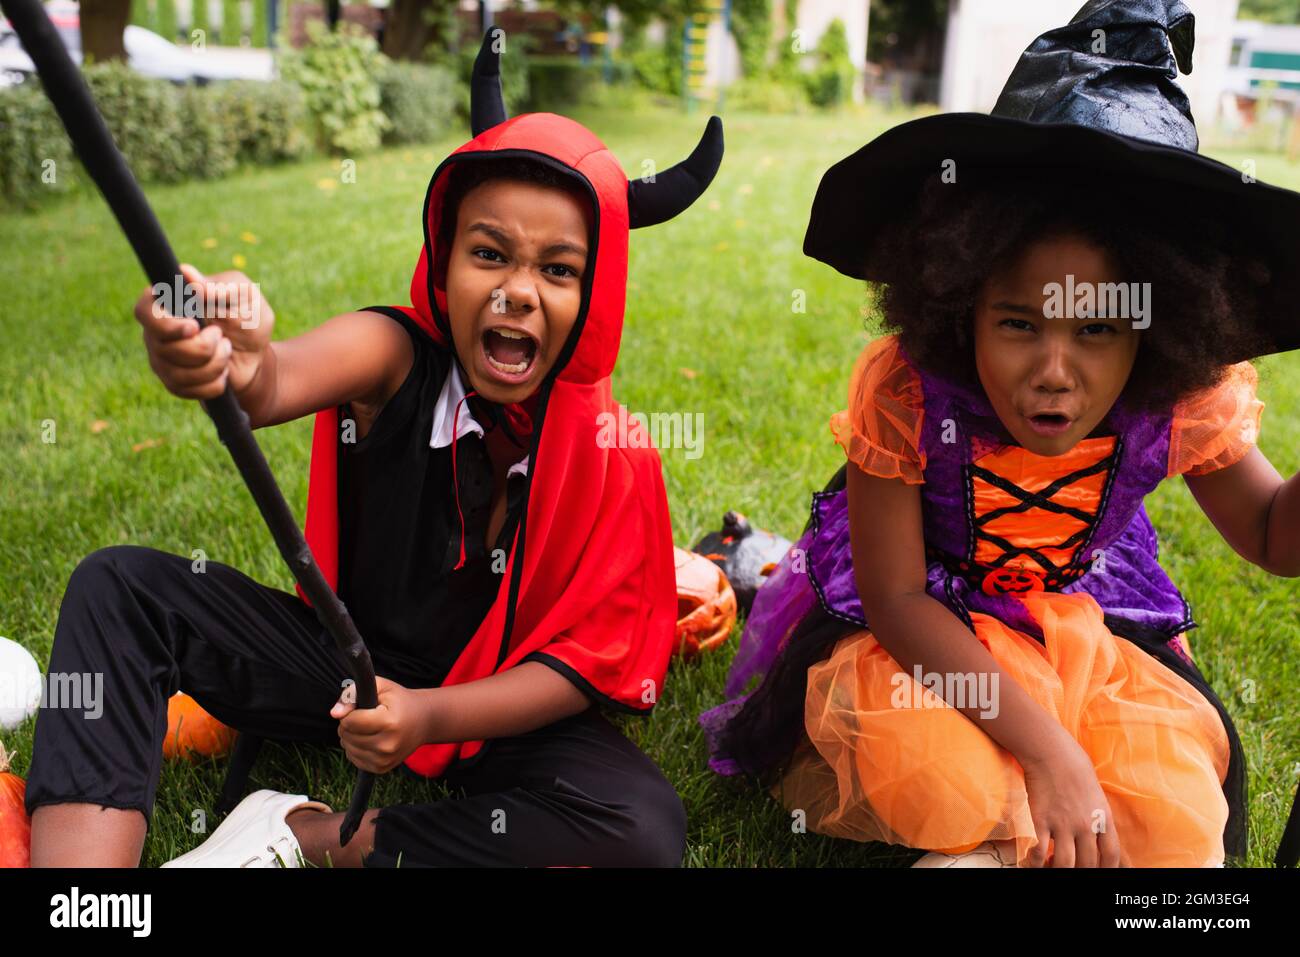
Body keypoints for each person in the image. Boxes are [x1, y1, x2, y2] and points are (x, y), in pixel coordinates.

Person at [23, 32, 724, 868]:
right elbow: (273, 378)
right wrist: (234, 359)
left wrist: (428, 716)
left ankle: (305, 835)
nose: (517, 290)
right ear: (443, 258)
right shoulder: (397, 355)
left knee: (641, 829)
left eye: (560, 269)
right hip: (340, 668)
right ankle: (84, 894)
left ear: (596, 294)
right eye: (489, 252)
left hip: (499, 708)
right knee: (120, 587)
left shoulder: (619, 455)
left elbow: (580, 666)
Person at [700, 0, 1300, 868]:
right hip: (924, 631)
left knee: (1172, 824)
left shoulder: (1177, 398)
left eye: (1096, 329)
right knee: (956, 782)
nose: (1054, 369)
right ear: (962, 305)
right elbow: (899, 603)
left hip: (1080, 628)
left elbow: (1276, 530)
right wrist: (1050, 752)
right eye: (1019, 323)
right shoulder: (909, 389)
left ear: (1157, 326)